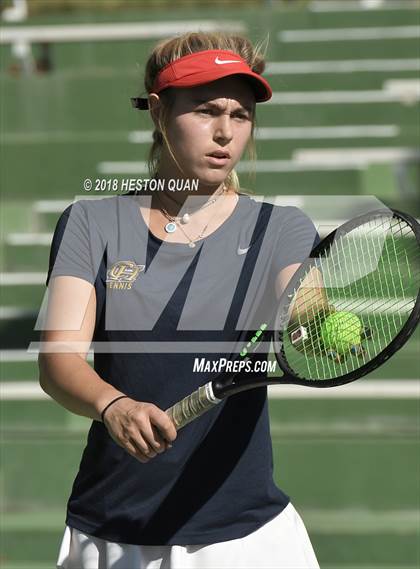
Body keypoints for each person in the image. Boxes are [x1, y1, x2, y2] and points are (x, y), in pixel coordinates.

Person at [39, 32, 320, 569]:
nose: (225, 132)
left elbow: (304, 300)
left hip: (246, 538)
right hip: (113, 533)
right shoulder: (91, 224)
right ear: (159, 112)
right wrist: (113, 405)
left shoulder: (281, 227)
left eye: (240, 115)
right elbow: (59, 359)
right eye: (206, 110)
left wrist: (315, 319)